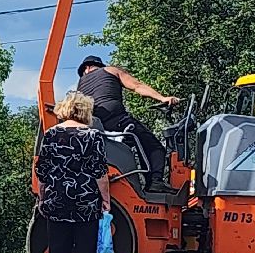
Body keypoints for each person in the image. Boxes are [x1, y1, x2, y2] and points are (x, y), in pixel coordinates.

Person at [35, 91, 110, 253]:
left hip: (56, 198)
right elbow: (100, 172)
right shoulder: (93, 135)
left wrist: (42, 197)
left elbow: (42, 170)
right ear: (85, 111)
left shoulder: (50, 134)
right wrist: (105, 200)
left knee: (58, 245)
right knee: (86, 245)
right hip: (85, 199)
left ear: (64, 109)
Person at [75, 55, 179, 190]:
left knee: (137, 144)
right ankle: (155, 183)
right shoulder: (111, 70)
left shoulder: (80, 85)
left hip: (95, 128)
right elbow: (137, 86)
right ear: (92, 66)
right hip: (117, 121)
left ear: (86, 68)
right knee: (155, 147)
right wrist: (162, 98)